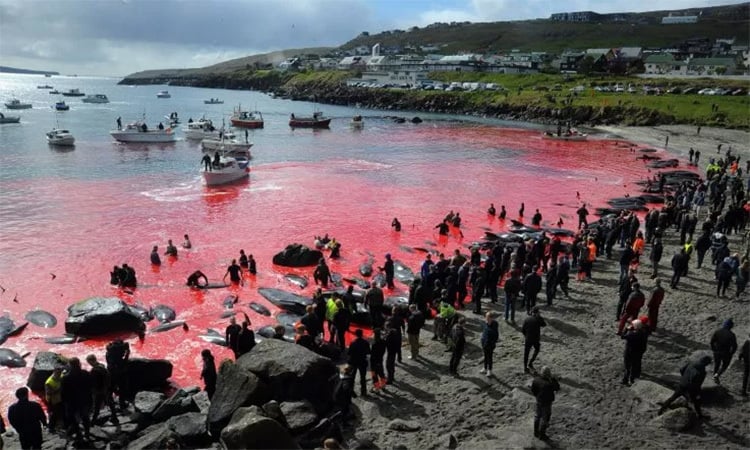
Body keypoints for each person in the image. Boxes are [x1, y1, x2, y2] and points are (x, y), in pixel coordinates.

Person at [61, 357, 93, 440]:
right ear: (79, 363)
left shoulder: (66, 377)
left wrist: (64, 402)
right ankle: (87, 433)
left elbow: (63, 392)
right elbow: (90, 386)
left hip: (72, 402)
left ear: (70, 365)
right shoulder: (85, 373)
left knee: (72, 418)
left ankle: (78, 433)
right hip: (85, 400)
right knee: (85, 417)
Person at [86, 354, 118, 425]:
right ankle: (115, 417)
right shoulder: (102, 366)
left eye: (89, 362)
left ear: (91, 361)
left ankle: (93, 421)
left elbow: (94, 382)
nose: (89, 364)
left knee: (97, 406)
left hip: (99, 391)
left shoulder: (94, 370)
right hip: (107, 389)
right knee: (110, 403)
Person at [531, 367, 560, 440]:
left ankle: (536, 432)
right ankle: (542, 435)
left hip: (539, 400)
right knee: (546, 418)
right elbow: (557, 388)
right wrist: (553, 379)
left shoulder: (536, 380)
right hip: (547, 403)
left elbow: (533, 390)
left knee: (537, 416)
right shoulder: (549, 383)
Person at [621, 319, 649, 385]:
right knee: (635, 365)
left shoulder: (631, 334)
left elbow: (623, 336)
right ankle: (633, 378)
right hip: (638, 352)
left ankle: (626, 379)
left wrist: (626, 329)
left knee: (627, 366)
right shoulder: (644, 333)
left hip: (629, 351)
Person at [710, 319, 737, 384]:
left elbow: (712, 342)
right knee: (725, 365)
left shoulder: (717, 331)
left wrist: (713, 349)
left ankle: (714, 375)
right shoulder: (732, 335)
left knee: (717, 364)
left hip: (717, 351)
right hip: (726, 353)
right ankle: (717, 375)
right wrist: (731, 353)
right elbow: (734, 346)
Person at [105, 339, 130, 408]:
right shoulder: (120, 360)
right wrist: (127, 352)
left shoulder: (109, 355)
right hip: (120, 374)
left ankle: (109, 402)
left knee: (111, 388)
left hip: (111, 372)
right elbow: (125, 362)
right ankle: (122, 403)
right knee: (122, 388)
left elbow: (107, 359)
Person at [522, 306, 546, 373]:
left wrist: (526, 336)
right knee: (537, 349)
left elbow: (523, 330)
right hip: (535, 339)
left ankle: (525, 367)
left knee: (526, 353)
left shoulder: (527, 319)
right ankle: (531, 362)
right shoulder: (538, 319)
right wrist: (540, 317)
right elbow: (544, 324)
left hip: (528, 339)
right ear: (537, 312)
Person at [347, 329, 370, 397]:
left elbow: (349, 353)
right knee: (363, 378)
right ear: (362, 334)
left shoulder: (352, 342)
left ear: (356, 334)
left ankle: (351, 391)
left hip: (353, 361)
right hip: (362, 361)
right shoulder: (365, 342)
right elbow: (368, 352)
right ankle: (363, 392)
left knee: (352, 378)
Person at [44, 367, 64, 433]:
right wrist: (59, 389)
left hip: (60, 398)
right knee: (53, 414)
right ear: (54, 371)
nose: (59, 374)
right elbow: (48, 392)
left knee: (60, 411)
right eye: (58, 373)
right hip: (52, 400)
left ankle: (60, 424)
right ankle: (51, 427)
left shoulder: (61, 376)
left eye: (60, 372)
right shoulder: (49, 382)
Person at [480, 312, 499, 377]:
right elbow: (484, 333)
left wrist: (492, 343)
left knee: (490, 357)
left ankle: (490, 370)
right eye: (486, 317)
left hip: (490, 345)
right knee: (485, 356)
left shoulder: (494, 325)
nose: (486, 319)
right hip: (484, 343)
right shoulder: (486, 323)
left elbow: (496, 336)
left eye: (487, 317)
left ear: (491, 318)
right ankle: (485, 368)